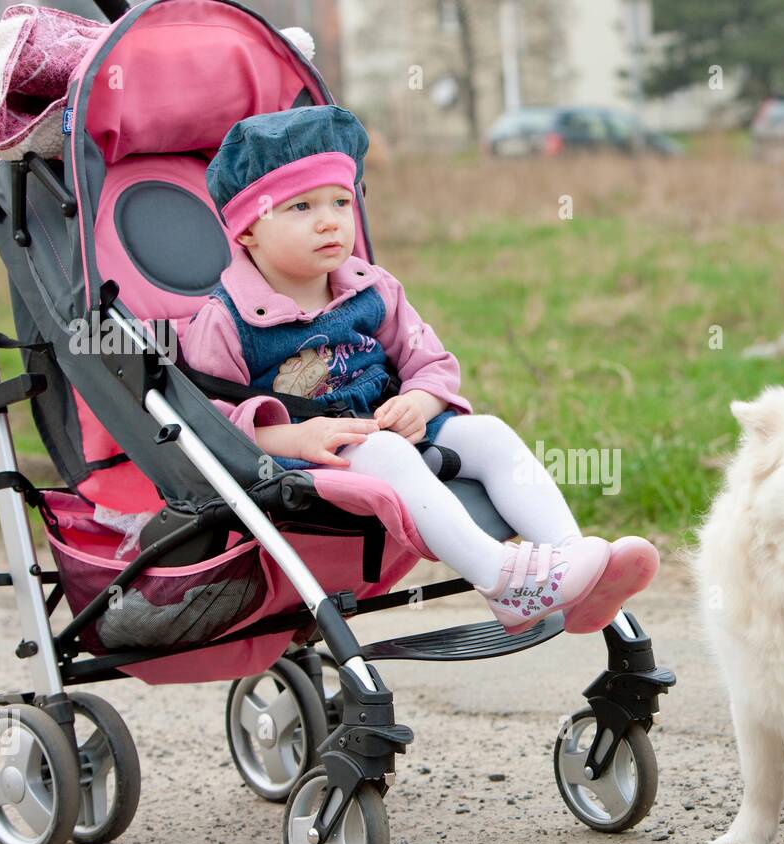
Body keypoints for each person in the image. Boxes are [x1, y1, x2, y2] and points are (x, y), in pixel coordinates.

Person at [180, 105, 658, 633]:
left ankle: (573, 562)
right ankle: (501, 582)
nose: (329, 220)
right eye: (300, 207)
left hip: (390, 425)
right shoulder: (226, 320)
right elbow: (209, 423)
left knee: (491, 436)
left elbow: (430, 362)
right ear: (247, 231)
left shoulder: (371, 288)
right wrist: (294, 438)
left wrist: (421, 402)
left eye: (341, 201)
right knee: (383, 449)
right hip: (306, 462)